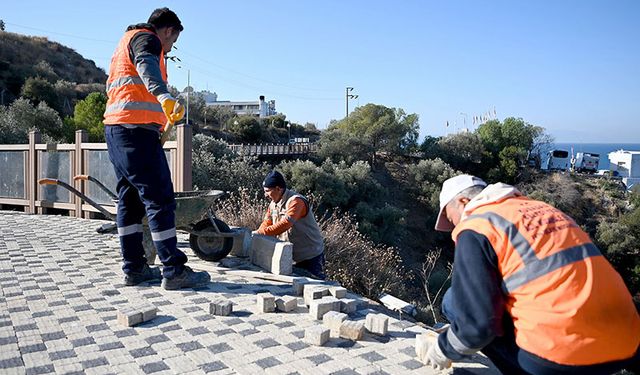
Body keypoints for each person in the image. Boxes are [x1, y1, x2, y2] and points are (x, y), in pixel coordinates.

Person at [418, 174, 640, 374]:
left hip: (566, 355)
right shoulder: (543, 209)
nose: (453, 226)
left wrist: (443, 349)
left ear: (463, 202)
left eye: (451, 217)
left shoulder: (477, 226)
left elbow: (479, 325)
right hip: (627, 342)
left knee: (454, 302)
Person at [103, 8, 210, 290]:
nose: (170, 47)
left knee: (129, 200)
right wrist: (164, 96)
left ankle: (135, 268)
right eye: (172, 41)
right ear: (168, 31)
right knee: (160, 198)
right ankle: (174, 270)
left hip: (116, 129)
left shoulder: (125, 40)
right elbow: (146, 66)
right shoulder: (147, 39)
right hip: (135, 131)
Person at [255, 171, 326, 279]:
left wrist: (261, 233)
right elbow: (267, 222)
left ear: (278, 189)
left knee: (315, 286)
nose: (265, 195)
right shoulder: (273, 204)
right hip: (291, 256)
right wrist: (258, 234)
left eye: (268, 191)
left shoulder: (296, 201)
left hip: (310, 256)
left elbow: (285, 224)